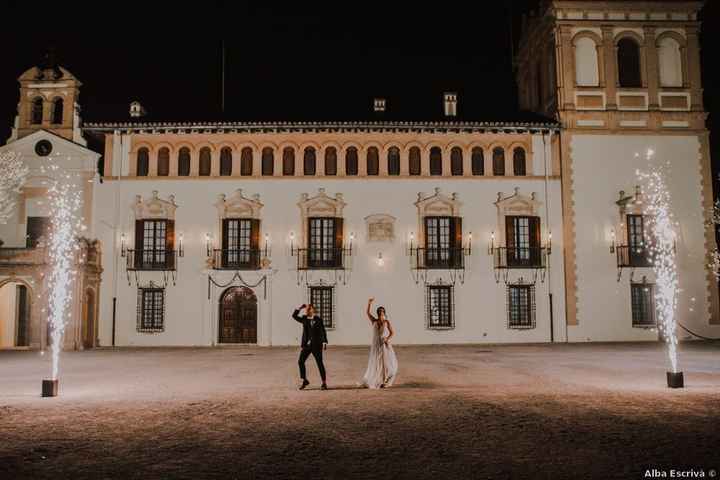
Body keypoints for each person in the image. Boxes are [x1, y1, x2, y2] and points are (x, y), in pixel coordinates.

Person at [360, 298, 398, 389]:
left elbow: (392, 333)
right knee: (377, 362)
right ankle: (379, 380)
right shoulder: (374, 321)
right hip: (376, 344)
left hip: (384, 344)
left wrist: (387, 339)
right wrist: (369, 303)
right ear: (378, 313)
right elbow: (368, 313)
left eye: (382, 311)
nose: (381, 312)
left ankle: (385, 381)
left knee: (386, 363)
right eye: (380, 311)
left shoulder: (386, 322)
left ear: (384, 312)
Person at [292, 303, 329, 390]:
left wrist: (324, 342)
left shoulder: (318, 319)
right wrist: (300, 308)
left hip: (317, 345)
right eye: (307, 309)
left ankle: (324, 383)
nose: (307, 310)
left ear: (313, 310)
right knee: (300, 361)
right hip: (306, 346)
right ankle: (304, 380)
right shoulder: (304, 319)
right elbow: (294, 316)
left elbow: (323, 331)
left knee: (319, 363)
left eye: (309, 309)